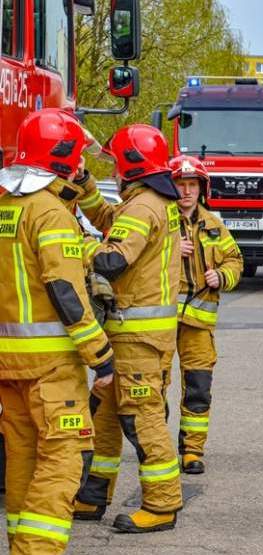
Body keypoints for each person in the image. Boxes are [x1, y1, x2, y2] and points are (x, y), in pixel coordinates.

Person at [0, 108, 116, 554]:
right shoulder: (50, 213)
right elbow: (66, 292)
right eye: (79, 160)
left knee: (23, 457)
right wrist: (100, 356)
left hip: (9, 364)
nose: (83, 168)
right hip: (51, 367)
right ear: (63, 158)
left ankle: (19, 541)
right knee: (64, 460)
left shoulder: (7, 204)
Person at [74, 124, 184, 533]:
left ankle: (161, 505)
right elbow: (111, 222)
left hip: (137, 339)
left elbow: (112, 260)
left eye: (116, 163)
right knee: (103, 417)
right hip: (135, 336)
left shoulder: (143, 207)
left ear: (131, 166)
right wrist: (85, 182)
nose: (114, 170)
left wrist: (73, 242)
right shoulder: (148, 201)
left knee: (142, 420)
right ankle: (92, 496)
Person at [168, 155, 243, 474]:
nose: (186, 191)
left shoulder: (214, 225)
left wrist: (222, 277)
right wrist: (171, 248)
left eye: (192, 185)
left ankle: (192, 451)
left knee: (198, 387)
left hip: (199, 325)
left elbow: (235, 261)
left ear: (201, 189)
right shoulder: (161, 219)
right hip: (161, 320)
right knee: (154, 388)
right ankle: (154, 448)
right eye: (180, 184)